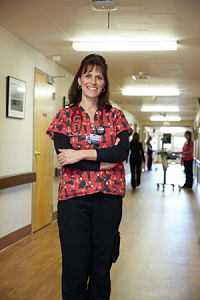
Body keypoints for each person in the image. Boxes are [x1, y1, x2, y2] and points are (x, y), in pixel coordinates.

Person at [46, 54, 132, 300]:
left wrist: (81, 153)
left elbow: (122, 152)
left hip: (108, 201)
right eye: (88, 75)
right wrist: (106, 162)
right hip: (74, 202)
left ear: (104, 83)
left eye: (99, 76)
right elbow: (65, 158)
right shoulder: (64, 117)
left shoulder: (116, 117)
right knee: (74, 269)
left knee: (101, 268)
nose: (93, 81)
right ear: (79, 80)